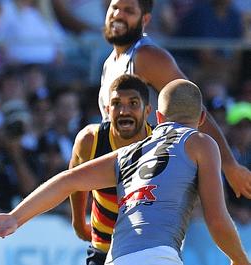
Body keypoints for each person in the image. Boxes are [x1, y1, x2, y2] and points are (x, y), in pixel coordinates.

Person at [0, 79, 251, 265]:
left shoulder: (130, 152)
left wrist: (14, 217)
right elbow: (217, 219)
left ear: (157, 117)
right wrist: (240, 259)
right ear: (200, 119)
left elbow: (68, 180)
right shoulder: (201, 142)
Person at [73, 74, 247, 265]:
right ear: (107, 109)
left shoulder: (152, 141)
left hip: (135, 258)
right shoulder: (94, 139)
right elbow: (73, 179)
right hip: (126, 256)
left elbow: (67, 180)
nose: (125, 110)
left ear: (151, 112)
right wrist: (79, 222)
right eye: (117, 104)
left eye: (132, 104)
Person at [99, 0, 251, 199]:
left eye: (129, 11)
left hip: (152, 184)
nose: (119, 14)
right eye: (115, 7)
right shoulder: (110, 62)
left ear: (145, 19)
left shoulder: (147, 56)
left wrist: (230, 166)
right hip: (123, 181)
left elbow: (195, 110)